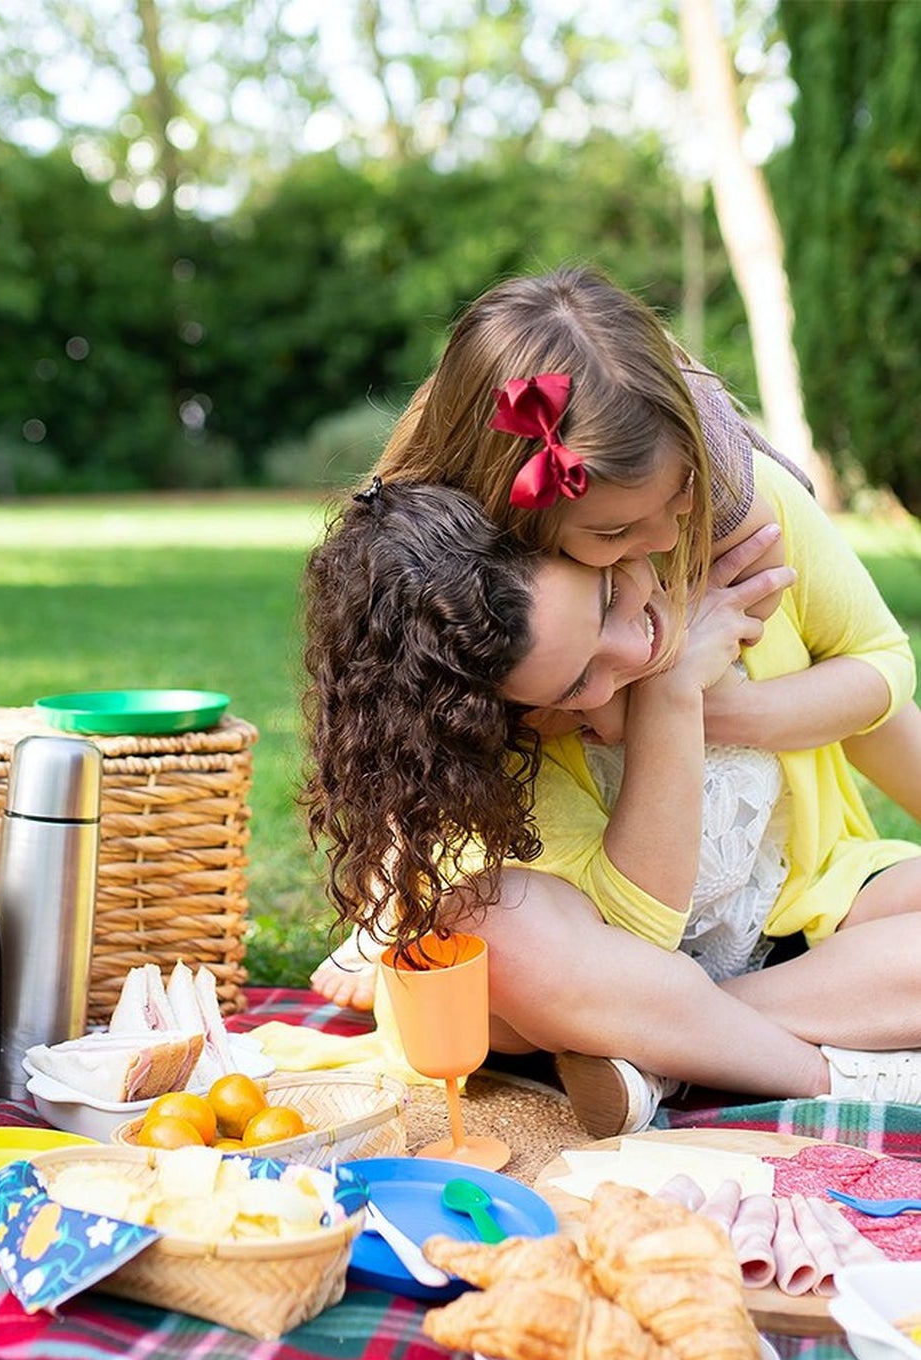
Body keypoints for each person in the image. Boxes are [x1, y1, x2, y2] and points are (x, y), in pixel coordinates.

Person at [309, 265, 921, 1015]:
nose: (663, 536)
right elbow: (414, 757)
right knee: (495, 962)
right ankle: (709, 1025)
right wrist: (659, 695)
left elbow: (882, 667)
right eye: (612, 534)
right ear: (517, 520)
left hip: (799, 892)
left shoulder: (741, 515)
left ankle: (699, 1032)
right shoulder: (489, 625)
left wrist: (715, 707)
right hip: (601, 928)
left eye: (679, 495)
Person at [277, 473, 921, 1137]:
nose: (632, 647)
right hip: (601, 977)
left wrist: (716, 704)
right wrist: (668, 695)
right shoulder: (504, 726)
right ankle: (823, 1072)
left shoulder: (731, 540)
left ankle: (666, 1059)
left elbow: (878, 686)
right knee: (492, 926)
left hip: (793, 924)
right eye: (578, 679)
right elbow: (637, 942)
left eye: (609, 594)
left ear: (586, 540)